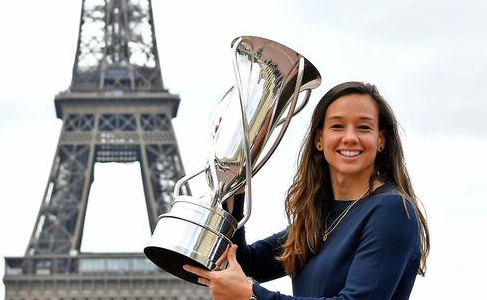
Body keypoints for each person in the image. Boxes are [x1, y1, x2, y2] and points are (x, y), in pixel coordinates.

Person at [183, 81, 430, 300]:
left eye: (364, 127)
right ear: (319, 139)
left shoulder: (392, 211)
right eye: (337, 126)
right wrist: (234, 175)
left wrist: (252, 294)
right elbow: (247, 263)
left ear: (381, 140)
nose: (350, 137)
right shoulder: (320, 216)